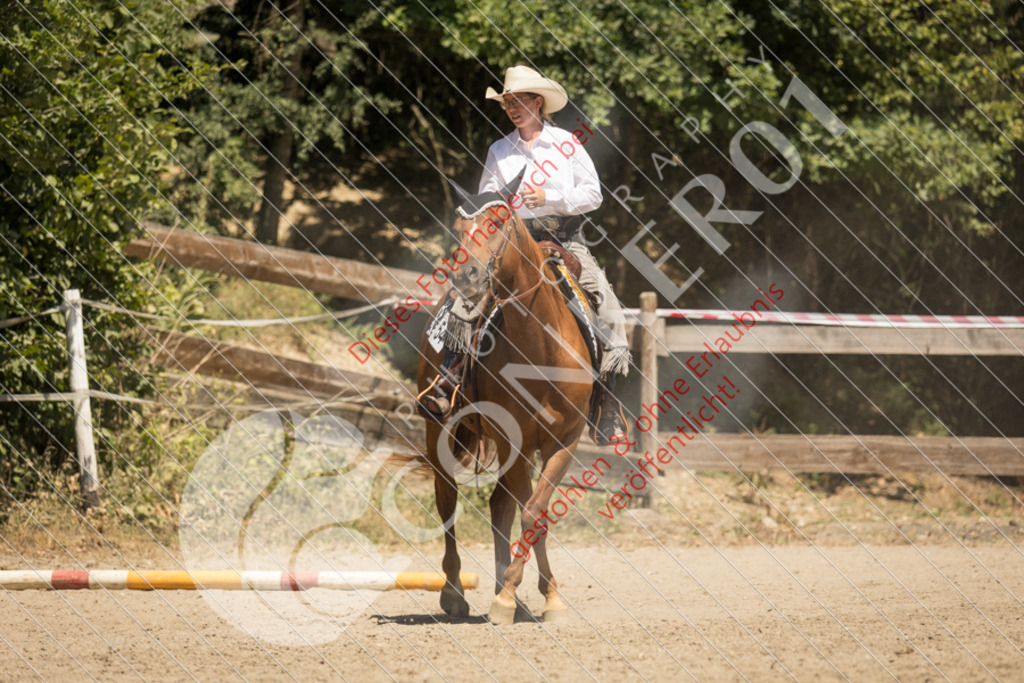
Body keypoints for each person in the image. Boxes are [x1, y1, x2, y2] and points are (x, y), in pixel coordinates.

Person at [421, 65, 631, 444]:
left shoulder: (567, 142)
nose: (512, 109)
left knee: (609, 305)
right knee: (464, 296)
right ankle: (448, 379)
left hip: (565, 240)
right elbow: (486, 202)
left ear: (538, 103)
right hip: (513, 242)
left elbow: (594, 194)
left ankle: (607, 403)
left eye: (518, 101)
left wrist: (551, 197)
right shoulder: (499, 150)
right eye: (507, 103)